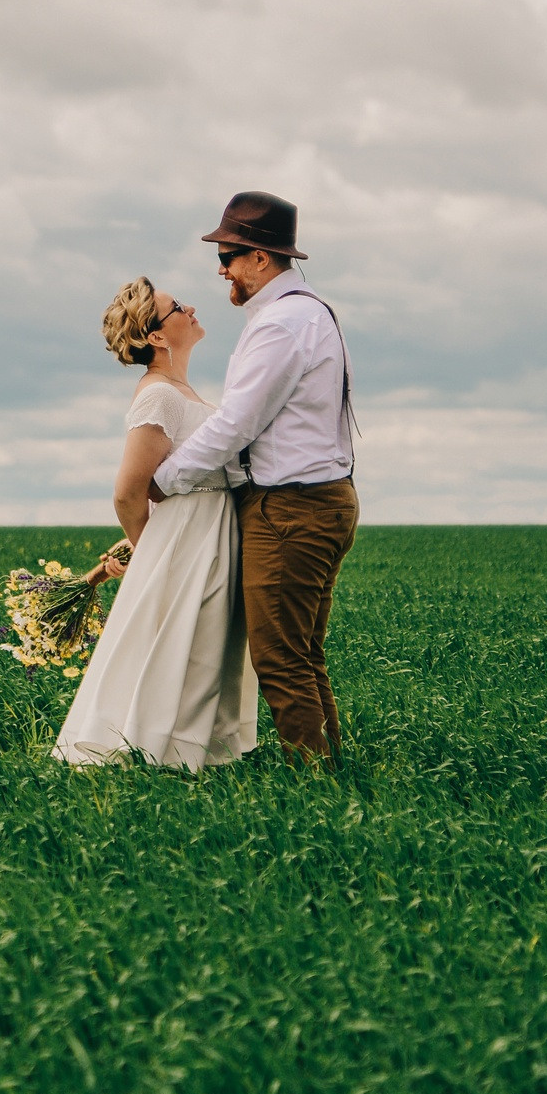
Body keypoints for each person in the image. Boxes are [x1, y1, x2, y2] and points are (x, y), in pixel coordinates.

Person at [149, 191, 357, 764]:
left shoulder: (283, 324)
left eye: (231, 255)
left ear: (262, 259)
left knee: (280, 658)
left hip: (291, 507)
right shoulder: (300, 314)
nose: (222, 269)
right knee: (301, 653)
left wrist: (163, 482)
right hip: (313, 500)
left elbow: (238, 424)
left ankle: (315, 786)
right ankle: (332, 773)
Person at [51, 277, 260, 769]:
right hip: (187, 538)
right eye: (178, 307)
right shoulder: (158, 396)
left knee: (206, 646)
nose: (192, 308)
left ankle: (200, 754)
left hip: (210, 529)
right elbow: (129, 491)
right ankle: (153, 753)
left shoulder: (182, 391)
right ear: (158, 337)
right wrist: (148, 551)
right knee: (178, 647)